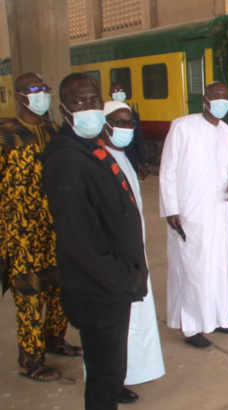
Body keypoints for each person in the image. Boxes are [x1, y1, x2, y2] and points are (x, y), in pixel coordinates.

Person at [42, 72, 147, 409]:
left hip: (111, 286)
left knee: (112, 371)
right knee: (104, 377)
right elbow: (79, 240)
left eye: (93, 100)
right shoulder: (67, 159)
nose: (88, 107)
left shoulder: (91, 148)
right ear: (63, 110)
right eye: (78, 101)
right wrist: (124, 278)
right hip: (99, 290)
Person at [1, 72, 81, 383]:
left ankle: (55, 340)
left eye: (45, 89)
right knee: (31, 295)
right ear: (20, 95)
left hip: (55, 225)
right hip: (21, 231)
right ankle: (30, 360)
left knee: (59, 289)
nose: (42, 95)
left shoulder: (53, 129)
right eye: (36, 90)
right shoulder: (6, 133)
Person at [159, 81, 228, 349]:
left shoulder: (227, 132)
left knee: (219, 266)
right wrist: (170, 208)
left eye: (225, 96)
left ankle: (220, 318)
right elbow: (167, 169)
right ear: (205, 99)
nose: (221, 100)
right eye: (216, 96)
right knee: (191, 268)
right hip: (189, 212)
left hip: (219, 211)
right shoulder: (183, 126)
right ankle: (191, 326)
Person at [99, 101, 165, 403]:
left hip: (133, 249)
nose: (125, 128)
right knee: (115, 322)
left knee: (135, 316)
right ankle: (111, 383)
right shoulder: (98, 159)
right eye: (119, 122)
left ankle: (133, 372)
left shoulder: (120, 156)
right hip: (115, 255)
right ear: (104, 123)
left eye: (130, 123)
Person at [109, 82, 149, 180]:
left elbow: (139, 139)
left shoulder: (133, 114)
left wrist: (143, 162)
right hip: (110, 157)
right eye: (115, 90)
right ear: (110, 94)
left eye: (121, 90)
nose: (118, 93)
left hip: (130, 157)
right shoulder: (105, 112)